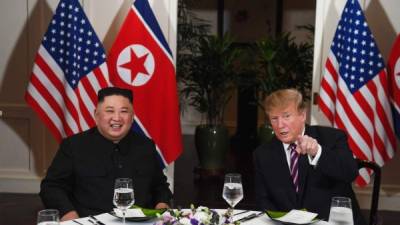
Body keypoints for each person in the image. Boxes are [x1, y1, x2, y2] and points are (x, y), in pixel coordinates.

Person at [39, 87, 172, 221]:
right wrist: (69, 215)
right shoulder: (73, 146)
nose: (117, 118)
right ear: (96, 115)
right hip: (89, 221)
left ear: (132, 117)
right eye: (110, 111)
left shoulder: (145, 146)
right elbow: (51, 187)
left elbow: (160, 186)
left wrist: (161, 210)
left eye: (124, 111)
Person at [253, 89, 366, 225]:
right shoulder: (262, 154)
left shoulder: (332, 138)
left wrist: (317, 152)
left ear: (302, 115)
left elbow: (350, 172)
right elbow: (263, 200)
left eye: (286, 116)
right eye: (274, 118)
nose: (280, 125)